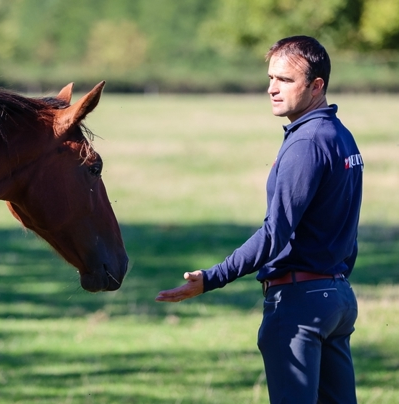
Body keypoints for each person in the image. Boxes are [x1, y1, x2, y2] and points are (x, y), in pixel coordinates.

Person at [155, 35, 363, 404]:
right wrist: (336, 278)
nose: (272, 89)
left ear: (317, 86)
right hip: (336, 298)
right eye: (271, 78)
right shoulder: (340, 136)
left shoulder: (307, 143)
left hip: (300, 304)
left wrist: (211, 278)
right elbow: (343, 223)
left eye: (285, 80)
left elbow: (274, 235)